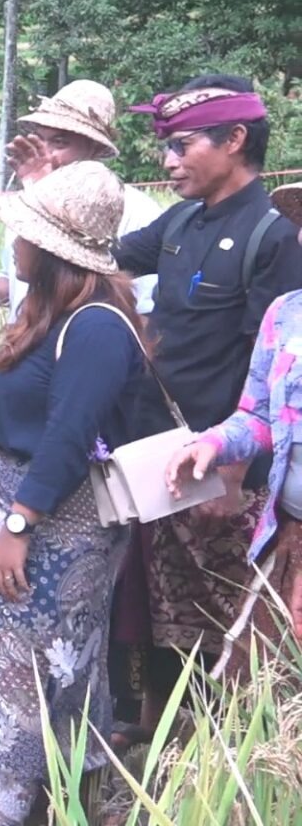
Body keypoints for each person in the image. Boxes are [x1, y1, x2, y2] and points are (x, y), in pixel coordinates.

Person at [0, 162, 150, 825]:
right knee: (59, 666)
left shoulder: (95, 325)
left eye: (24, 234)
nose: (15, 244)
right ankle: (65, 797)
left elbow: (66, 435)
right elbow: (16, 396)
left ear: (58, 249)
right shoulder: (43, 312)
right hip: (34, 511)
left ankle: (6, 804)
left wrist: (19, 523)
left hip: (64, 525)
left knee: (31, 671)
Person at [114, 74, 302, 710]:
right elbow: (101, 259)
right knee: (171, 615)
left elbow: (269, 379)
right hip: (165, 457)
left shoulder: (272, 237)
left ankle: (240, 758)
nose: (168, 161)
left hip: (229, 478)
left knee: (242, 625)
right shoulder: (180, 222)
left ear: (236, 139)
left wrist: (232, 471)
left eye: (182, 144)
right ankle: (175, 743)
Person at [167, 181, 302, 667]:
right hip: (289, 535)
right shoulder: (285, 316)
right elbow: (258, 414)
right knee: (259, 684)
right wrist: (216, 444)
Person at [0, 80, 163, 316]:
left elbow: (140, 309)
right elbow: (16, 289)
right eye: (40, 138)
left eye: (60, 142)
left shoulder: (135, 210)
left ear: (94, 148)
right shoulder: (28, 206)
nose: (46, 153)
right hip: (24, 346)